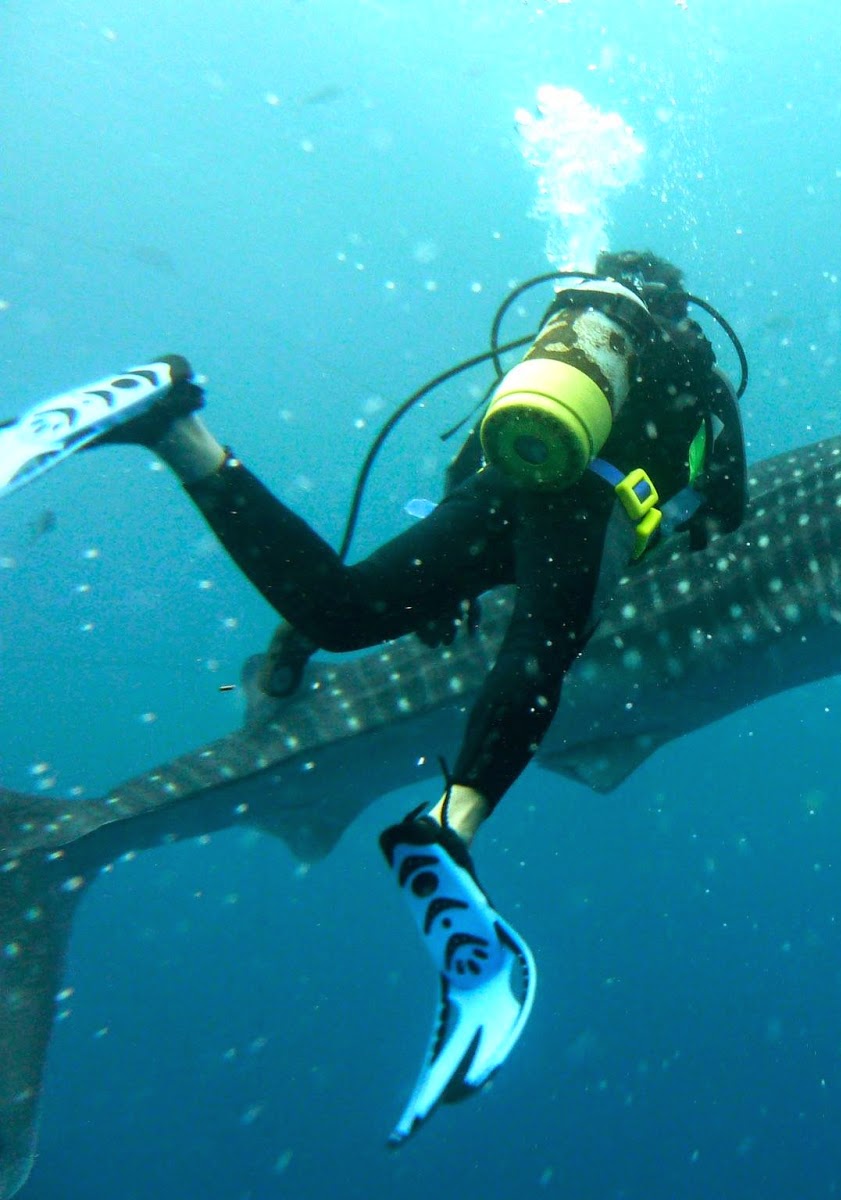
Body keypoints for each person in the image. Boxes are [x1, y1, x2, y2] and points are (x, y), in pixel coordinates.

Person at [86, 250, 748, 1142]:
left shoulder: (559, 354)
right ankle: (451, 822)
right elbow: (727, 504)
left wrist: (457, 583)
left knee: (343, 608)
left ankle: (177, 430)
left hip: (499, 490)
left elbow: (470, 463)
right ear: (678, 309)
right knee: (539, 655)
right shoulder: (696, 375)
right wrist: (688, 502)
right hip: (590, 514)